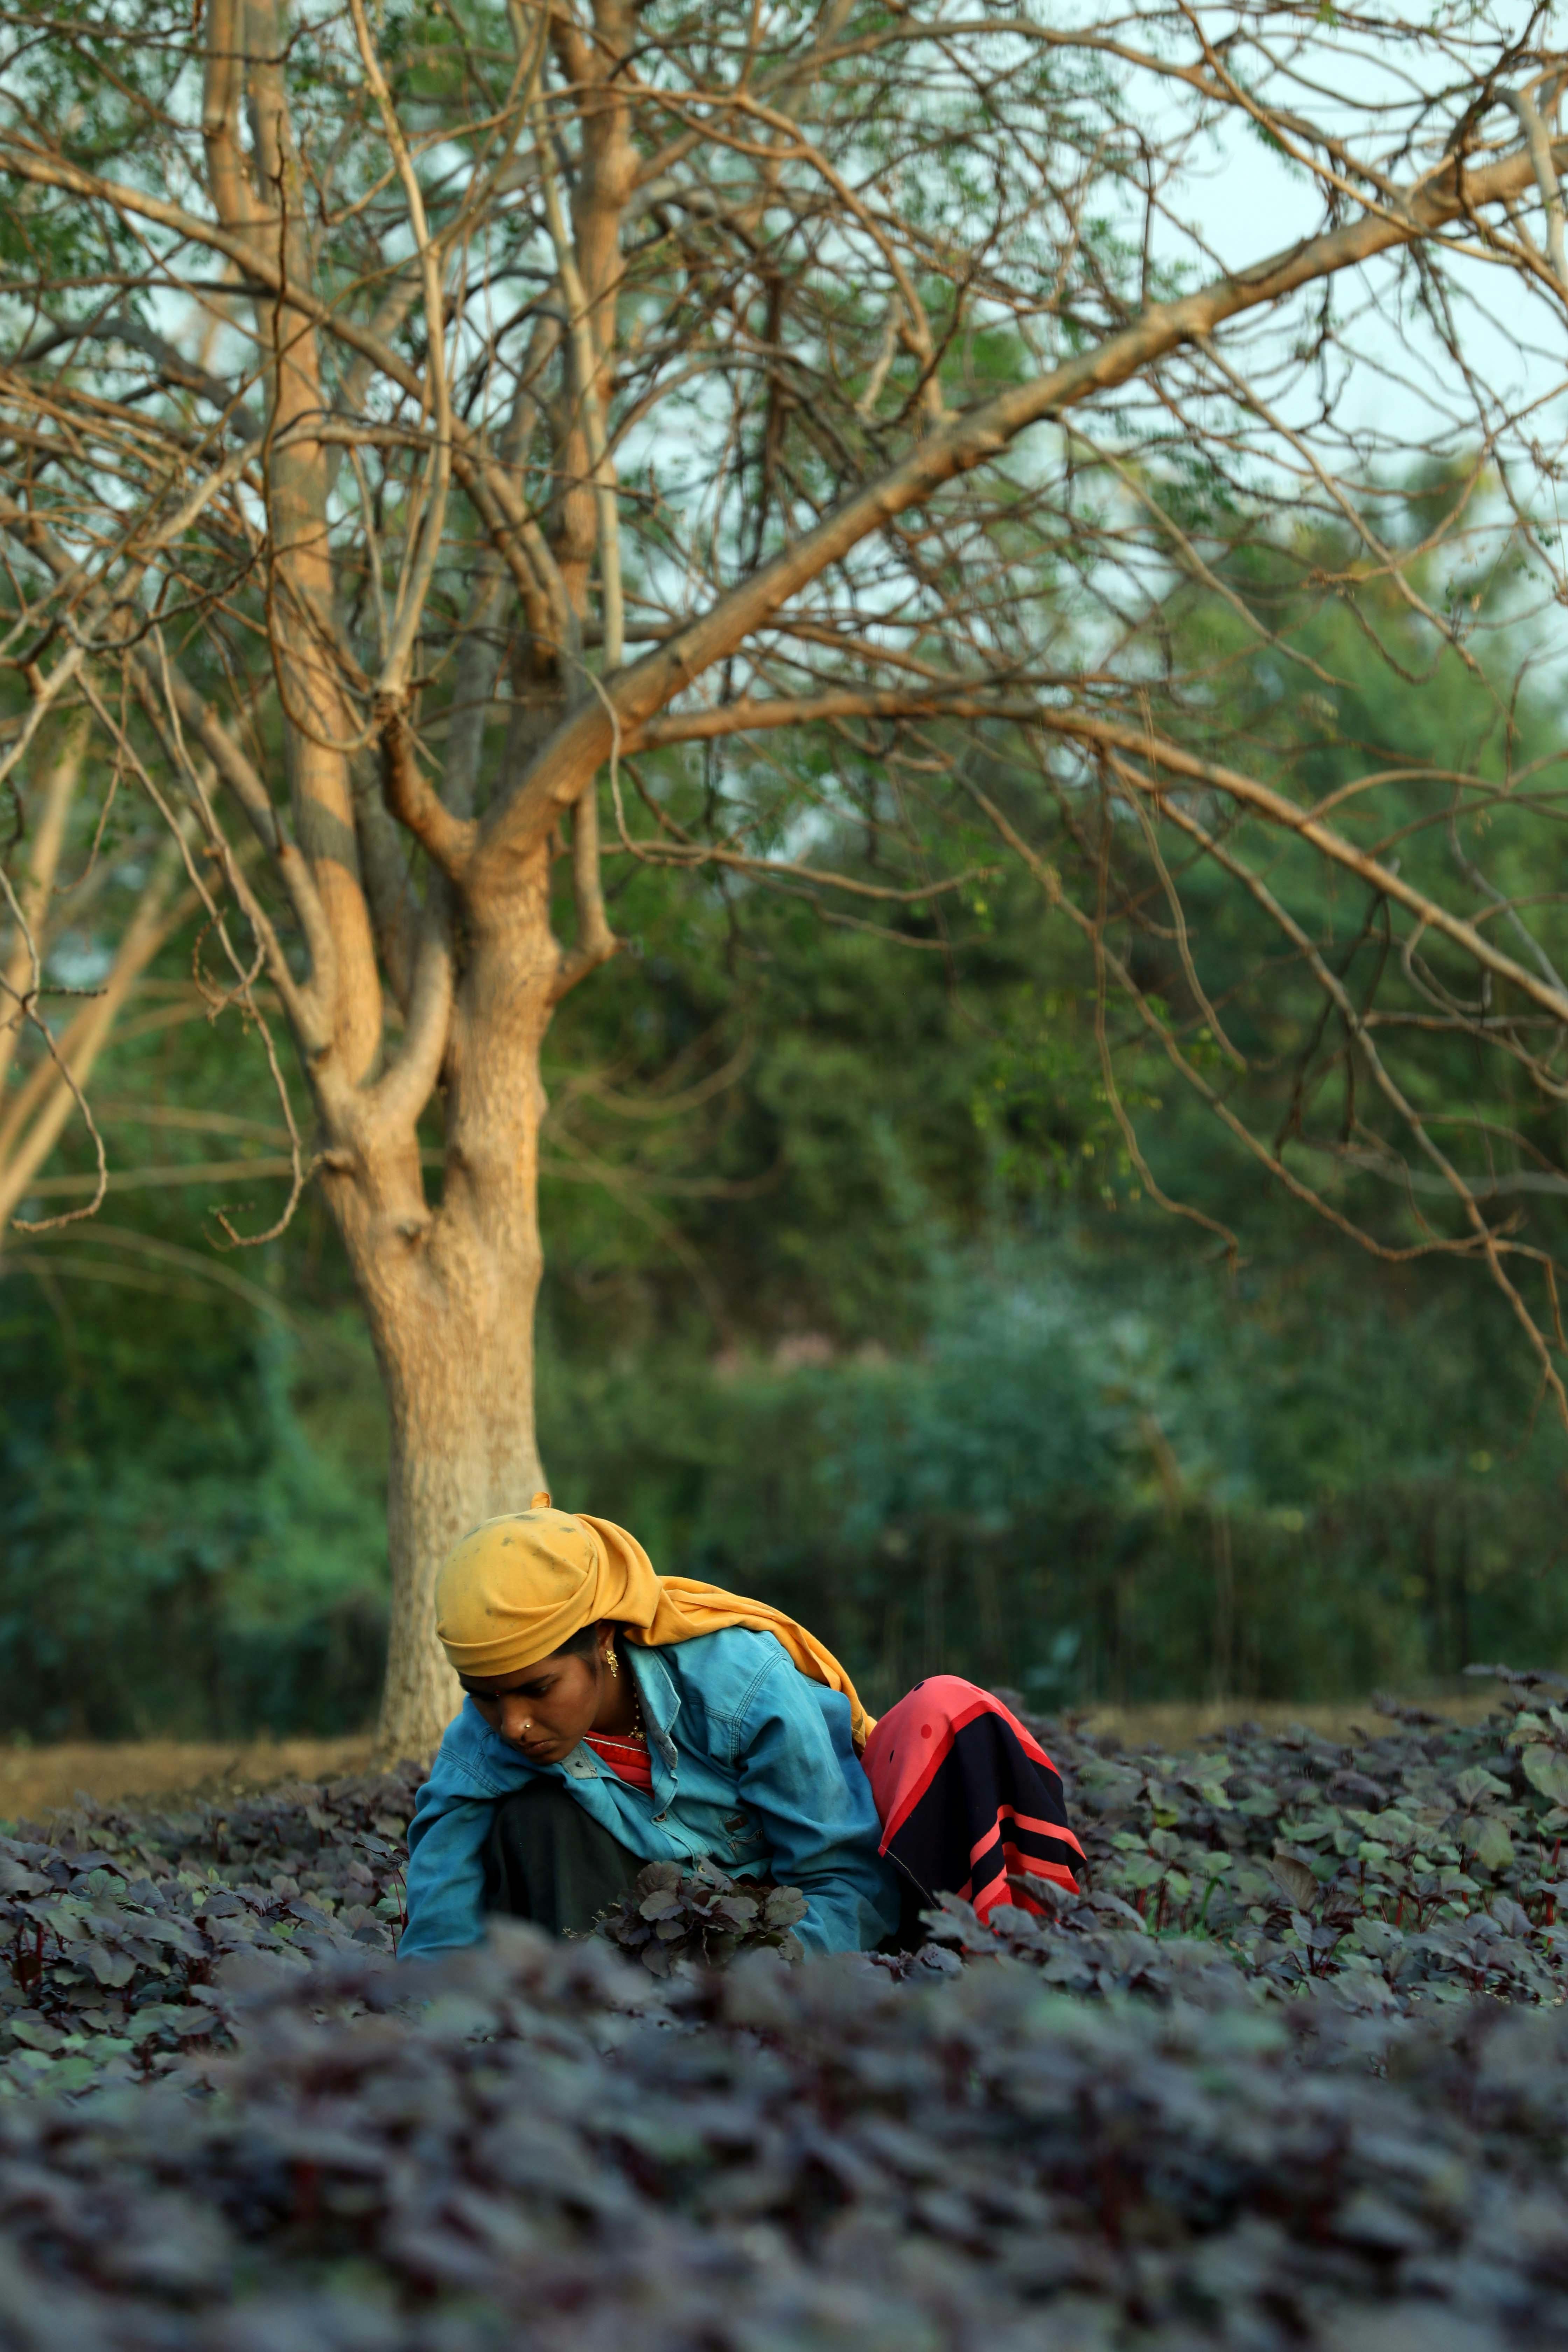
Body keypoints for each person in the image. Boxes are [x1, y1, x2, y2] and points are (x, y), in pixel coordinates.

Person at [399, 1494, 1083, 1959]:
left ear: (601, 1639)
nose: (512, 1725)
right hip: (653, 1943)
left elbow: (842, 1882)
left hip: (776, 1938)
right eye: (483, 1697)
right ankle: (591, 2040)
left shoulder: (737, 1685)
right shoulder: (484, 1737)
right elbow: (439, 1920)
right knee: (530, 1817)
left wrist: (754, 1984)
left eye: (537, 1689)